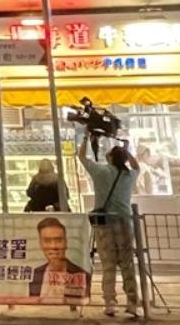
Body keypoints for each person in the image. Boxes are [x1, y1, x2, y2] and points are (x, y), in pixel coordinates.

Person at [77, 133, 140, 318]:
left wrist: (85, 138)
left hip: (104, 224)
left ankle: (110, 303)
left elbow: (81, 157)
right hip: (124, 221)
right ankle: (132, 302)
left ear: (111, 157)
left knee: (108, 264)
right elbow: (137, 166)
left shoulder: (101, 172)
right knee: (127, 263)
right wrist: (126, 152)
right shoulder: (129, 175)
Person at [28, 216, 87, 302]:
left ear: (66, 242)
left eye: (58, 240)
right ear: (40, 244)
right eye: (47, 241)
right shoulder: (35, 274)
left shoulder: (82, 274)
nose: (53, 246)